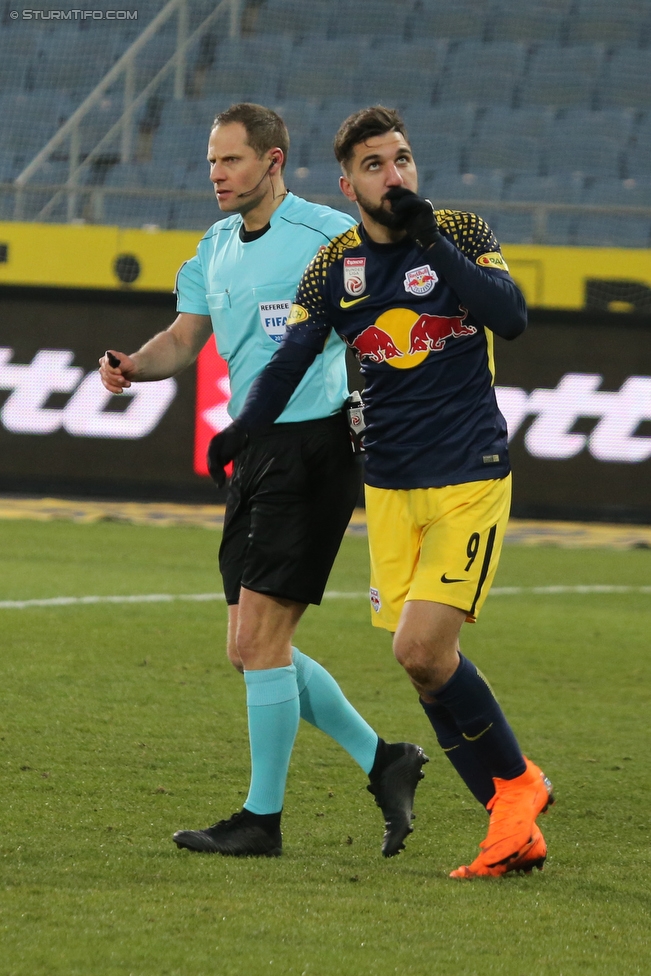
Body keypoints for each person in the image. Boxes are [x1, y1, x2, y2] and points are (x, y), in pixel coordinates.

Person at [207, 105, 555, 879]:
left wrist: (430, 237)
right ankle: (510, 826)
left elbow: (512, 318)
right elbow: (295, 354)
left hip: (468, 477)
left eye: (400, 159)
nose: (392, 175)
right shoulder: (335, 265)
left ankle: (517, 789)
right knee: (424, 665)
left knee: (420, 647)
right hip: (391, 492)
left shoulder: (459, 232)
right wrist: (246, 428)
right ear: (347, 184)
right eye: (374, 165)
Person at [98, 103, 428, 860]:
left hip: (316, 446)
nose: (216, 173)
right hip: (256, 451)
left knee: (258, 639)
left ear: (273, 162)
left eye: (232, 160)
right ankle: (385, 761)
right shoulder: (212, 247)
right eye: (212, 160)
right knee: (249, 648)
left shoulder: (326, 236)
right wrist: (132, 367)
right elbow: (186, 337)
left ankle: (262, 821)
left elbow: (385, 312)